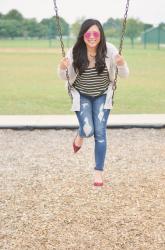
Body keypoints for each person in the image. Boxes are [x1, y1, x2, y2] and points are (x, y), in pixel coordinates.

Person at [58, 19, 129, 186]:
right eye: (88, 34)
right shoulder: (74, 52)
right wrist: (62, 67)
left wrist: (121, 64)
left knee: (100, 132)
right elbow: (63, 77)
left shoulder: (110, 50)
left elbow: (124, 74)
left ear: (100, 35)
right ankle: (81, 134)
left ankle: (98, 172)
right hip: (81, 95)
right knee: (88, 129)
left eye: (95, 33)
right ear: (83, 35)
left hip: (102, 96)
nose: (91, 37)